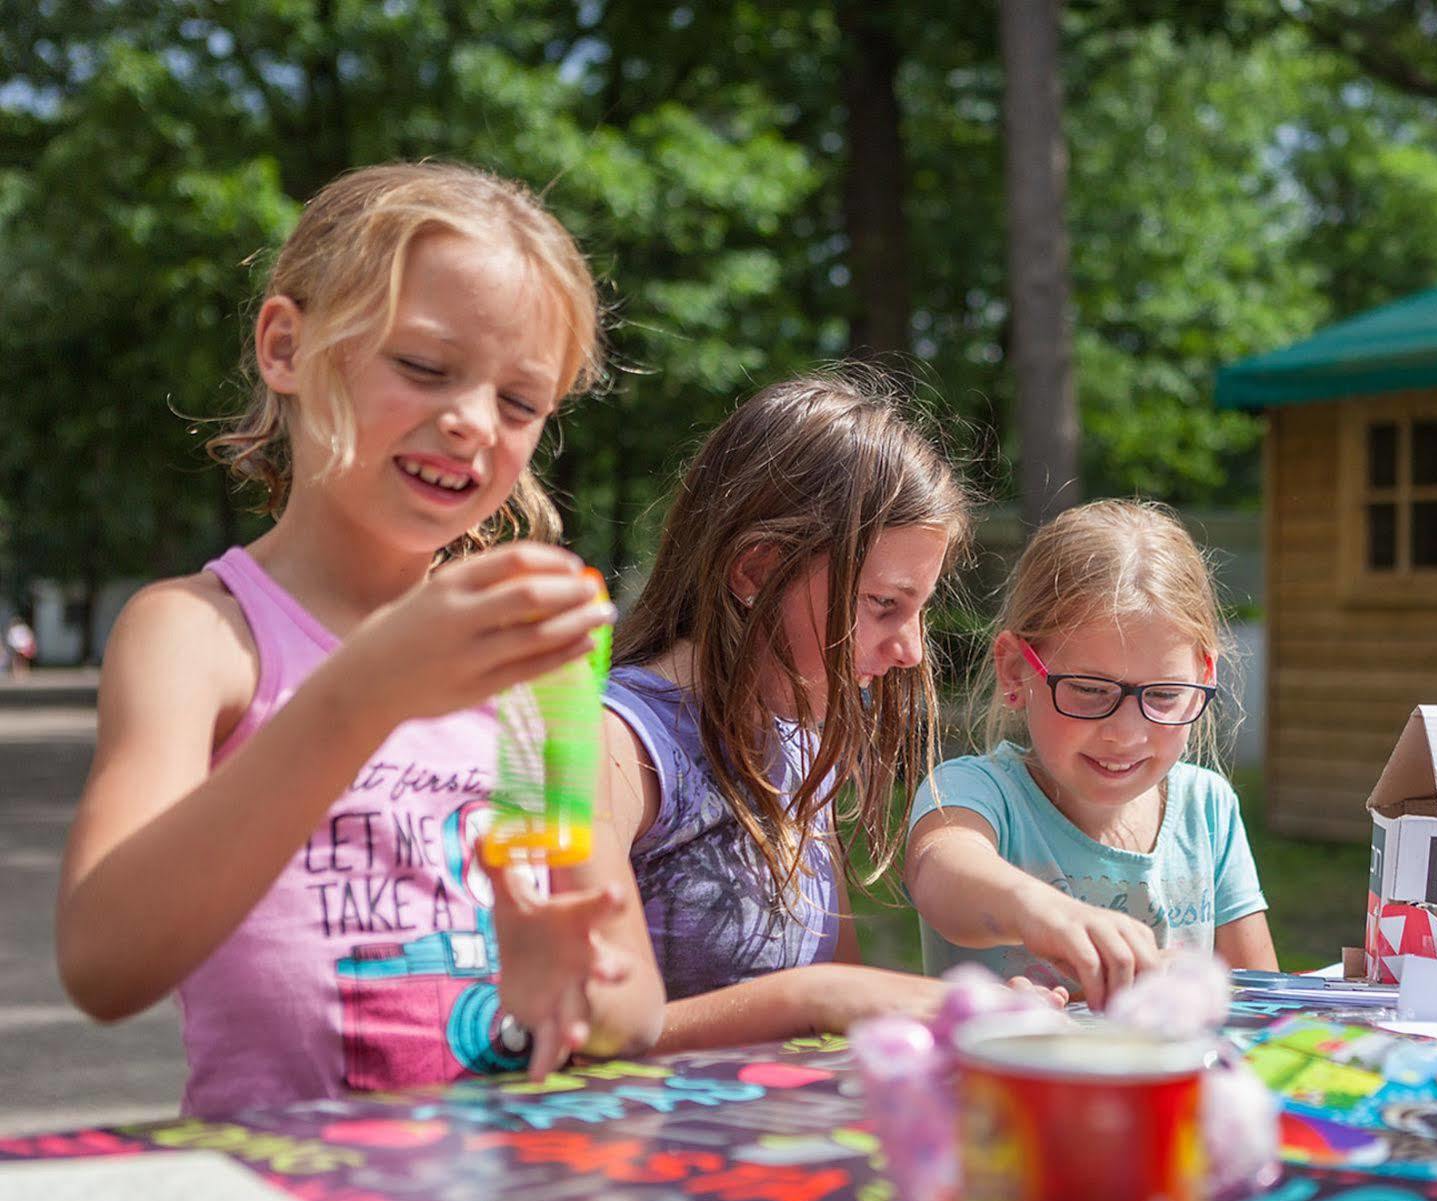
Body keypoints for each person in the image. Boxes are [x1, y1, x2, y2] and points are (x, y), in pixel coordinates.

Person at [57, 162, 656, 1115]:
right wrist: (364, 691)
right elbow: (103, 961)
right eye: (422, 367)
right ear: (286, 346)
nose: (469, 423)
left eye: (519, 403)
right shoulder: (200, 635)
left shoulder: (530, 666)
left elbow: (634, 1008)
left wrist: (563, 969)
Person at [514, 371, 1049, 1054]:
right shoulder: (617, 745)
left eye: (920, 610)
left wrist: (965, 1017)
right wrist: (811, 998)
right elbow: (580, 1029)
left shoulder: (804, 745)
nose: (912, 650)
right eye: (883, 605)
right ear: (756, 571)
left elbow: (848, 1010)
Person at [905, 499, 1278, 1001]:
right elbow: (940, 873)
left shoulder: (1207, 809)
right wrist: (1047, 914)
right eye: (1089, 690)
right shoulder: (973, 792)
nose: (1125, 733)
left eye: (1164, 695)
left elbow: (1265, 1003)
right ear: (1017, 671)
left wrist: (1196, 990)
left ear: (1203, 678)